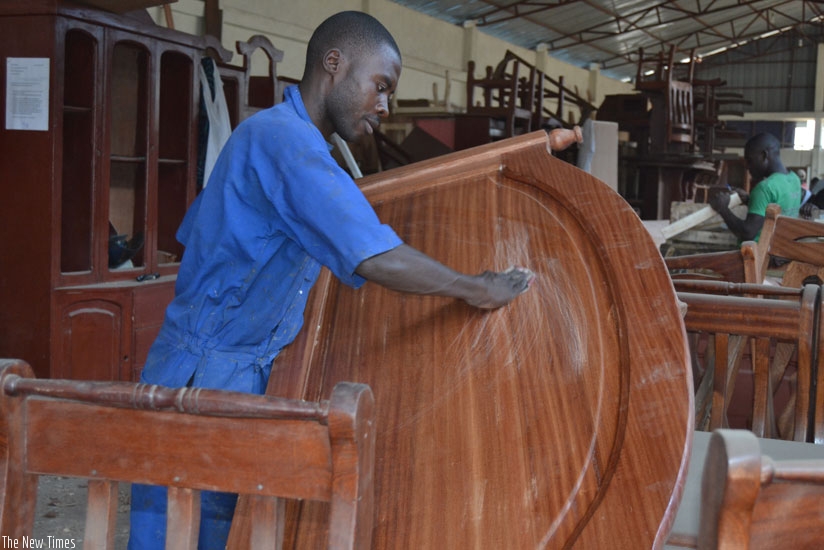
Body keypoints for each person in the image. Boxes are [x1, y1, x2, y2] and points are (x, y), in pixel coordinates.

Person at [127, 11, 534, 549]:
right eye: (381, 86)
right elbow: (372, 256)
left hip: (238, 369)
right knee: (179, 530)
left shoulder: (292, 144)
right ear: (334, 64)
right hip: (205, 373)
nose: (385, 107)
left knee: (219, 529)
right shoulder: (283, 142)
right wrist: (476, 288)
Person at [709, 132, 801, 243]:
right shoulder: (794, 179)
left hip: (757, 256)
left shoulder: (764, 188)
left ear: (763, 156)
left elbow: (747, 233)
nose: (747, 166)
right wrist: (749, 200)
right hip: (779, 249)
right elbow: (776, 208)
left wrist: (723, 209)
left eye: (749, 160)